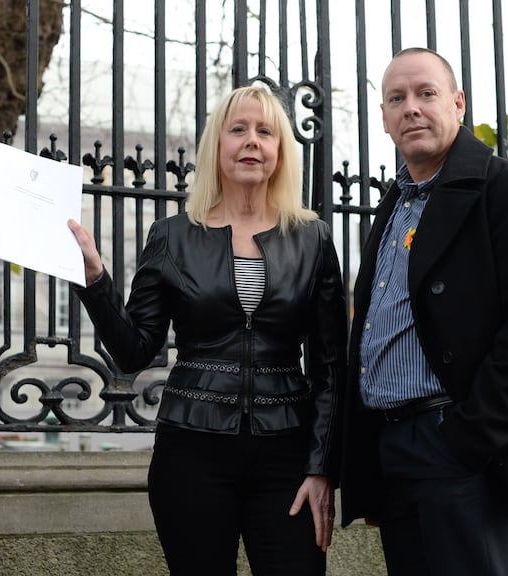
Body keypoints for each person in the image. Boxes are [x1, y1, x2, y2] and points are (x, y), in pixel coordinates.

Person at [68, 84, 347, 576]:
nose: (251, 142)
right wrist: (94, 280)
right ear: (217, 146)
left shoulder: (312, 239)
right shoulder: (174, 236)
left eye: (265, 131)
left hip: (287, 455)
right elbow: (135, 350)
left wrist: (321, 467)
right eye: (237, 129)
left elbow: (330, 366)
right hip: (192, 452)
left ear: (280, 149)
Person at [339, 47, 508, 576]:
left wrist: (467, 438)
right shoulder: (393, 206)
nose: (411, 108)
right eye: (396, 99)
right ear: (383, 117)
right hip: (392, 445)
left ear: (458, 103)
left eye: (426, 93)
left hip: (456, 440)